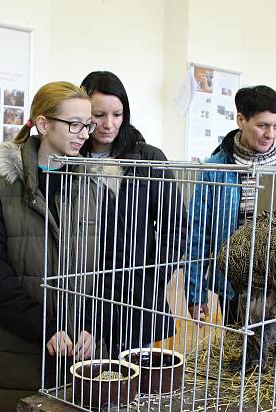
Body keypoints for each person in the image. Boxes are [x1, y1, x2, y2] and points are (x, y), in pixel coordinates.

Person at [0, 81, 104, 412]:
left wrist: (94, 325)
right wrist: (45, 326)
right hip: (19, 352)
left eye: (87, 124)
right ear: (44, 125)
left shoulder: (95, 188)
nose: (84, 133)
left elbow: (110, 266)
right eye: (74, 124)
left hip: (80, 352)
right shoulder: (1, 186)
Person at [185, 85, 276, 323]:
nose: (270, 134)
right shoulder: (216, 169)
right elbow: (198, 233)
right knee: (240, 350)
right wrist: (195, 292)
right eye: (262, 125)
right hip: (236, 283)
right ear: (241, 120)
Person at [80, 71, 187, 353]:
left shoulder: (147, 158)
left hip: (136, 294)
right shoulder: (70, 157)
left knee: (135, 379)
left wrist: (153, 277)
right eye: (98, 114)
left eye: (117, 114)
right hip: (82, 289)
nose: (108, 124)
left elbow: (175, 225)